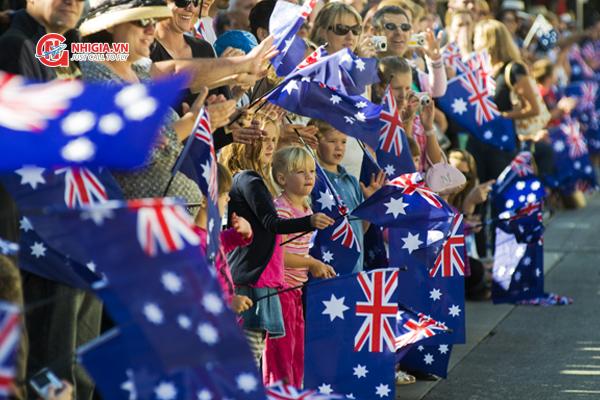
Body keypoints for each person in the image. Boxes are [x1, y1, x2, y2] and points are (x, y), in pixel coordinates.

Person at [221, 112, 334, 366]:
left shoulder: (255, 179)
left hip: (261, 280)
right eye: (264, 139)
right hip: (253, 280)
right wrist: (309, 222)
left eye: (274, 139)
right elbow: (272, 224)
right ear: (247, 141)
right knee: (249, 360)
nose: (271, 145)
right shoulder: (248, 178)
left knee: (256, 356)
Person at [263, 146, 336, 388]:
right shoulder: (280, 210)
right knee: (280, 357)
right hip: (279, 292)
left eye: (312, 171)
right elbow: (278, 256)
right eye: (301, 171)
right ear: (282, 178)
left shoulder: (306, 208)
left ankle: (294, 392)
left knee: (296, 354)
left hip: (295, 290)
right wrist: (312, 263)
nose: (309, 176)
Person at [309, 1, 376, 178]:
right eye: (341, 29)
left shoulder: (356, 72)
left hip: (352, 178)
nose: (350, 36)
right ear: (322, 32)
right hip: (317, 180)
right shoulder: (310, 73)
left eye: (356, 30)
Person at [310, 118, 385, 273]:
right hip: (324, 269)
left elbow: (359, 229)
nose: (339, 147)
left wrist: (369, 204)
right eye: (332, 141)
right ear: (315, 142)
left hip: (354, 267)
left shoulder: (351, 181)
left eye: (343, 142)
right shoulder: (312, 181)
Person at [471, 18, 540, 183]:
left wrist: (500, 115)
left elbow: (533, 108)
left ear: (490, 40)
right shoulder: (480, 68)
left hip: (504, 143)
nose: (473, 43)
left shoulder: (514, 68)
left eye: (477, 38)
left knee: (502, 191)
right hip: (481, 141)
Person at [194, 162, 254, 314]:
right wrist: (227, 302)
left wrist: (243, 232)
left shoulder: (211, 233)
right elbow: (198, 289)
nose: (228, 199)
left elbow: (224, 242)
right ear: (203, 200)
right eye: (223, 194)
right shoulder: (194, 242)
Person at [375, 56, 442, 172]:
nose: (403, 94)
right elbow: (403, 161)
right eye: (396, 88)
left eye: (407, 88)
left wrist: (428, 127)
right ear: (380, 88)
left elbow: (436, 164)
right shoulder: (377, 122)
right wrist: (409, 122)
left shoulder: (417, 120)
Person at [447, 149, 494, 300]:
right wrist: (469, 204)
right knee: (477, 270)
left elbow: (463, 235)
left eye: (465, 175)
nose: (459, 180)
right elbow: (449, 231)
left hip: (461, 254)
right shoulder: (442, 192)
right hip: (445, 258)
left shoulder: (467, 192)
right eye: (455, 172)